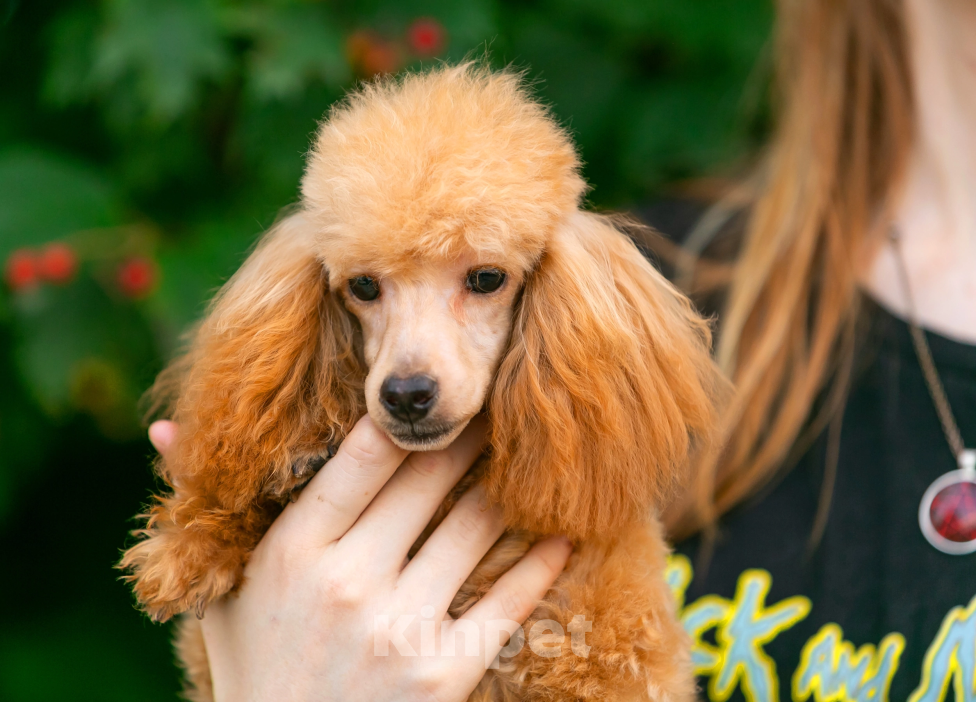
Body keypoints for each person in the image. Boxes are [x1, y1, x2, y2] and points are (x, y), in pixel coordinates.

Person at [146, 0, 975, 699]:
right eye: (367, 289)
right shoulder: (686, 268)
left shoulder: (611, 339)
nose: (409, 365)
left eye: (481, 281)